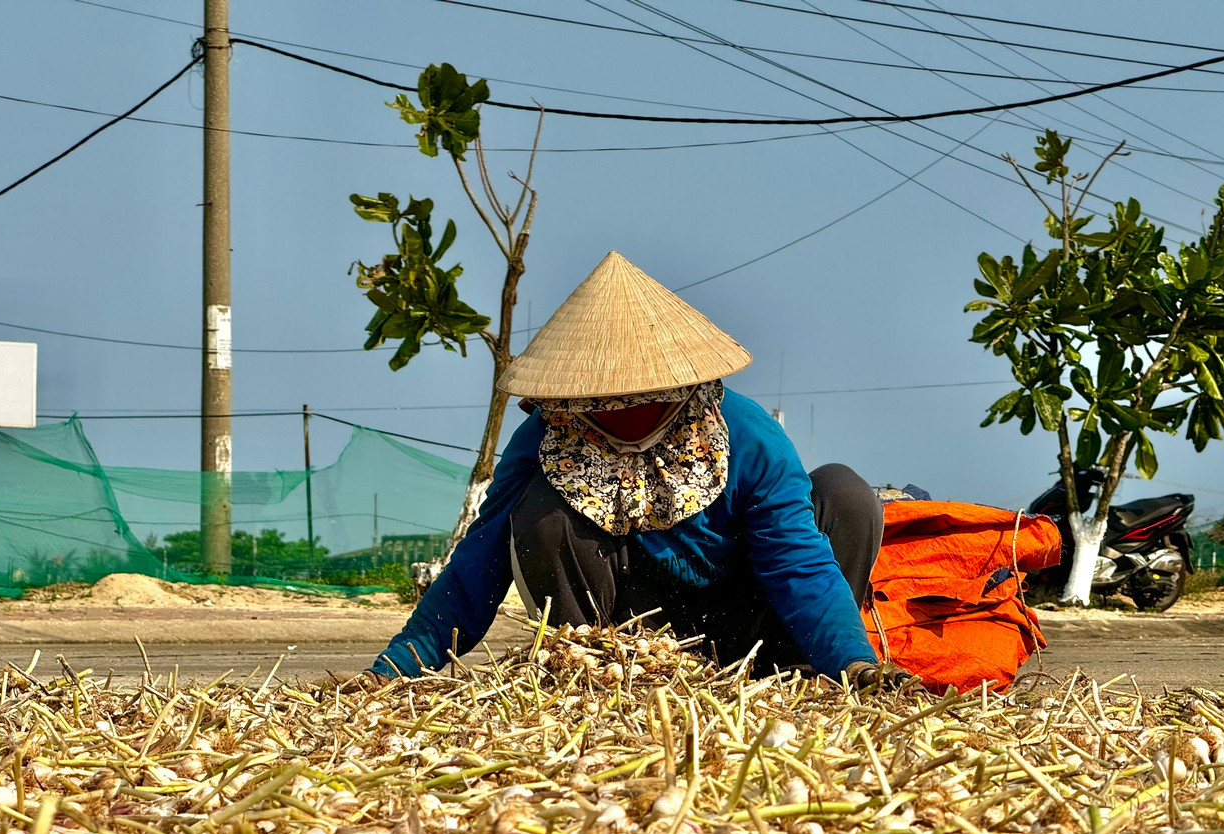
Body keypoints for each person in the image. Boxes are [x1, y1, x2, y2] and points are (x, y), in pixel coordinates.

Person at [361, 251, 892, 686]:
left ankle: (800, 671)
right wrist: (396, 667)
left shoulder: (749, 438)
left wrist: (854, 662)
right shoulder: (547, 437)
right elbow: (478, 561)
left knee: (846, 492)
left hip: (751, 620)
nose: (618, 414)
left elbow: (797, 563)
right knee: (542, 513)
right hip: (628, 634)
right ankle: (591, 676)